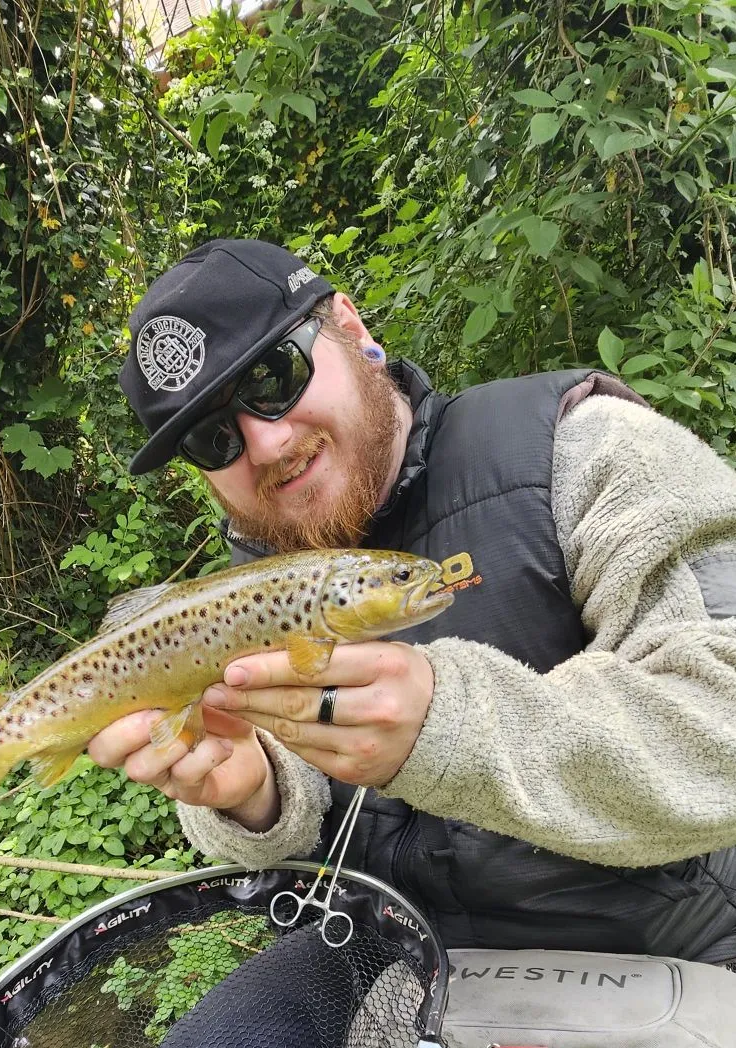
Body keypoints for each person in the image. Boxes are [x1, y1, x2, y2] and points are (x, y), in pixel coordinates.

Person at [90, 237, 736, 962]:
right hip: (393, 954)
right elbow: (287, 811)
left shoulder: (590, 451)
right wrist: (255, 796)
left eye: (273, 377)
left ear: (352, 329)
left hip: (664, 954)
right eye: (213, 440)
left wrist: (452, 725)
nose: (265, 445)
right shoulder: (257, 576)